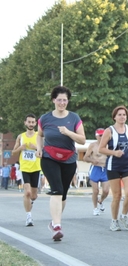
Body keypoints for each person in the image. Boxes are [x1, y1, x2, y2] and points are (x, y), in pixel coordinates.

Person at [36, 85, 86, 241]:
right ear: (53, 100)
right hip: (49, 158)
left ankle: (54, 222)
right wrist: (39, 148)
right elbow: (40, 135)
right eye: (59, 100)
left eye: (65, 100)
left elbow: (82, 139)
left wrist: (68, 132)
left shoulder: (74, 118)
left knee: (63, 194)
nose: (62, 103)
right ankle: (57, 226)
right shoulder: (45, 118)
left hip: (69, 159)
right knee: (56, 190)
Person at [99, 106, 128, 232]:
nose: (122, 117)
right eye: (119, 115)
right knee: (117, 195)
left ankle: (124, 216)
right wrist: (114, 153)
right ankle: (114, 221)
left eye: (124, 115)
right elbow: (101, 148)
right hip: (113, 166)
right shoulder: (109, 131)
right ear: (114, 117)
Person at [12, 114, 42, 226]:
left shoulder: (39, 136)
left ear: (35, 123)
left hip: (36, 168)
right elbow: (13, 152)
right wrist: (21, 148)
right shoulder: (20, 137)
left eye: (32, 122)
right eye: (29, 122)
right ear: (25, 122)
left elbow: (44, 152)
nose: (30, 124)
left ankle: (30, 202)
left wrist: (36, 147)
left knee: (34, 195)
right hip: (24, 168)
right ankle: (28, 216)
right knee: (27, 192)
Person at [84, 128, 110, 216]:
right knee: (95, 191)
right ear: (96, 136)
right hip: (95, 169)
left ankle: (101, 201)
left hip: (105, 169)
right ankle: (95, 208)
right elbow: (85, 157)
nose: (102, 137)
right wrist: (92, 161)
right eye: (100, 135)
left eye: (103, 135)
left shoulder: (109, 145)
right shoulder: (93, 145)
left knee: (106, 191)